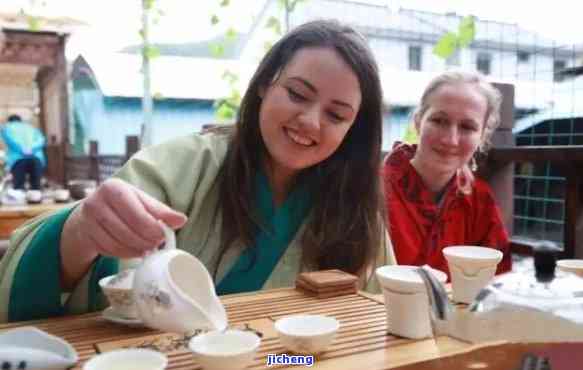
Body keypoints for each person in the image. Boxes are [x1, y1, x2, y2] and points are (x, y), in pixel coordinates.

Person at [0, 20, 395, 323]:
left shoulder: (355, 207)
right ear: (264, 85)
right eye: (297, 94)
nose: (310, 121)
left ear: (353, 128)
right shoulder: (183, 165)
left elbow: (379, 319)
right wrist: (80, 231)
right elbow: (92, 273)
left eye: (337, 115)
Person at [383, 70, 512, 278]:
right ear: (418, 122)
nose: (450, 139)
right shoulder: (371, 191)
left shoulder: (479, 199)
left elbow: (499, 279)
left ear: (482, 137)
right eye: (439, 121)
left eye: (467, 127)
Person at [0, 114, 46, 190]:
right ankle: (35, 198)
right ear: (20, 121)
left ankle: (20, 197)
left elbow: (10, 140)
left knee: (19, 187)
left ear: (9, 121)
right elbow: (41, 140)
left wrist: (22, 149)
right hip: (36, 158)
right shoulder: (32, 128)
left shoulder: (7, 128)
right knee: (36, 187)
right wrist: (32, 149)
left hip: (18, 159)